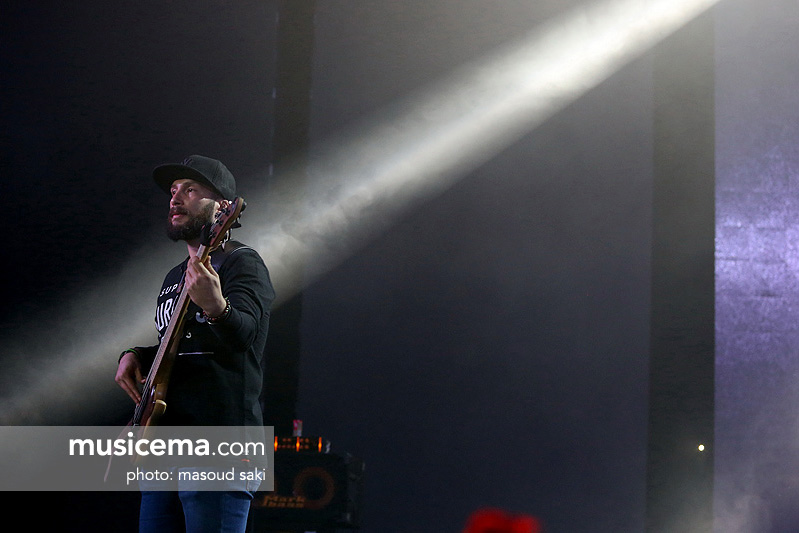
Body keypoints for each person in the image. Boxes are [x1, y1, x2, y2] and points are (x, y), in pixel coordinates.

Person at [115, 155, 276, 533]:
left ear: (223, 207)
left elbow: (245, 338)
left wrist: (217, 307)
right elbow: (179, 345)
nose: (175, 198)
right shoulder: (174, 276)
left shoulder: (242, 263)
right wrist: (134, 355)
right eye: (173, 191)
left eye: (190, 190)